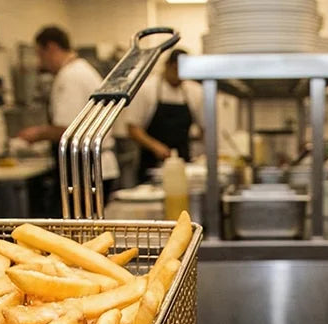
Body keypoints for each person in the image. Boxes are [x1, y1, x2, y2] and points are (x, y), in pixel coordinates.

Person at [17, 26, 119, 197]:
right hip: (92, 166)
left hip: (85, 169)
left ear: (51, 48)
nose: (40, 63)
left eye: (40, 55)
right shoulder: (81, 69)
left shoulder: (70, 76)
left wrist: (36, 134)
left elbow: (67, 128)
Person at [126, 48, 203, 181]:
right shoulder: (147, 88)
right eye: (176, 69)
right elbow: (133, 128)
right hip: (151, 165)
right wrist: (155, 146)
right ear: (167, 65)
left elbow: (204, 128)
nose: (179, 75)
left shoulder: (194, 91)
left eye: (184, 71)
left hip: (183, 164)